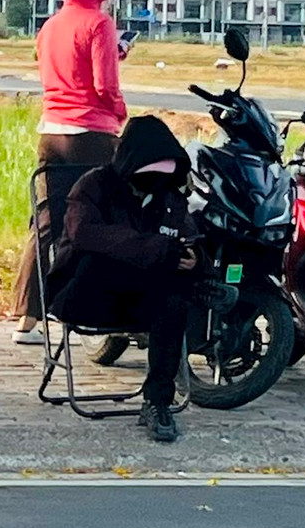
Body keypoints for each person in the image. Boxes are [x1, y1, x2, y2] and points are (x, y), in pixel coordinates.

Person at [45, 115, 204, 443]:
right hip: (86, 293)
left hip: (142, 301)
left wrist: (192, 259)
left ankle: (157, 401)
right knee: (104, 256)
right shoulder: (93, 186)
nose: (156, 183)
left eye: (164, 176)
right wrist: (160, 249)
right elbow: (86, 234)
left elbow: (185, 236)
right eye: (149, 175)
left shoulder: (169, 198)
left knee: (176, 292)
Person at [11, 0, 141, 344]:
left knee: (47, 224)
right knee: (108, 221)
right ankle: (99, 313)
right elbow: (104, 87)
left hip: (51, 133)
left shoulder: (49, 26)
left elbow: (63, 70)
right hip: (93, 137)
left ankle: (27, 320)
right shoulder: (100, 23)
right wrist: (120, 113)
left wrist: (113, 53)